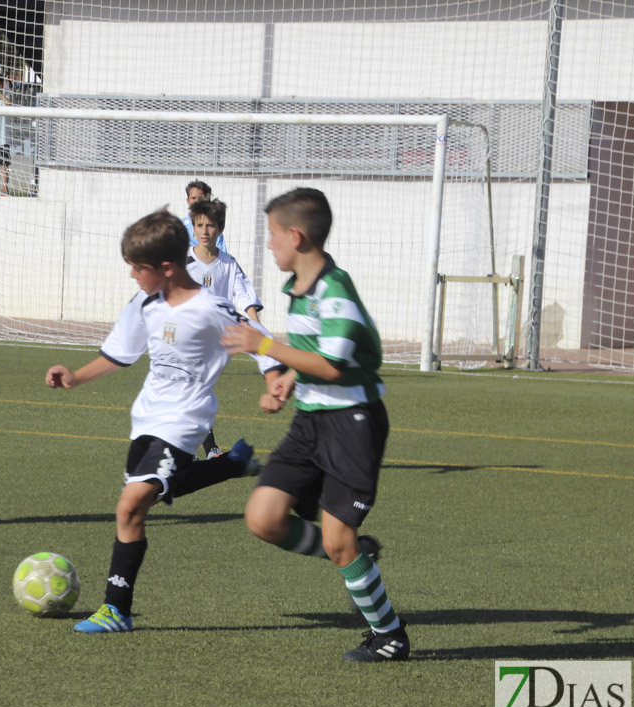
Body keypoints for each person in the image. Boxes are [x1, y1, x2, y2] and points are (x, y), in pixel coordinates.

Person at [45, 208, 283, 634]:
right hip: (147, 418)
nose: (133, 275)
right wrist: (76, 376)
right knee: (147, 499)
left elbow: (259, 339)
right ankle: (231, 464)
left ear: (167, 268)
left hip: (186, 419)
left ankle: (116, 608)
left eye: (139, 268)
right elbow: (120, 352)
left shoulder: (211, 307)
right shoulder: (145, 302)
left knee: (131, 503)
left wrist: (272, 379)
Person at [221, 187, 408, 662]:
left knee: (336, 538)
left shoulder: (334, 289)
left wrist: (263, 347)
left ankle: (389, 635)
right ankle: (352, 555)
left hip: (353, 425)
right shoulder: (298, 290)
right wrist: (286, 377)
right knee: (264, 518)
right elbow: (314, 360)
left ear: (296, 236)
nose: (268, 244)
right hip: (312, 421)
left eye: (272, 234)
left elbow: (334, 366)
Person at [185, 198, 268, 458]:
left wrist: (257, 329)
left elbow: (244, 296)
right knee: (194, 390)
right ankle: (205, 449)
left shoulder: (228, 264)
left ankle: (192, 448)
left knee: (197, 392)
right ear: (193, 227)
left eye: (210, 225)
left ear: (220, 229)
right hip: (186, 338)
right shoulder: (182, 261)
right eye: (200, 225)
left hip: (216, 341)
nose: (205, 231)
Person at [182, 180, 227, 252]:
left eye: (200, 198)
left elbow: (221, 252)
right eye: (193, 198)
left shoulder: (214, 227)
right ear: (188, 200)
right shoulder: (181, 226)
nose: (197, 201)